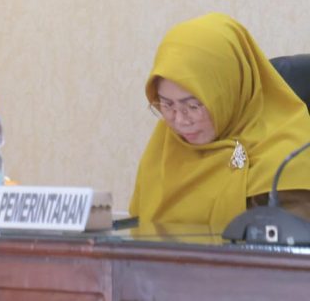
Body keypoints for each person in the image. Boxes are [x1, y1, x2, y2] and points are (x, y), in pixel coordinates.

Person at [130, 13, 310, 230]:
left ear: (230, 92)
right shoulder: (165, 145)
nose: (180, 120)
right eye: (166, 105)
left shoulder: (289, 156)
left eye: (193, 105)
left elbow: (290, 241)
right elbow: (137, 231)